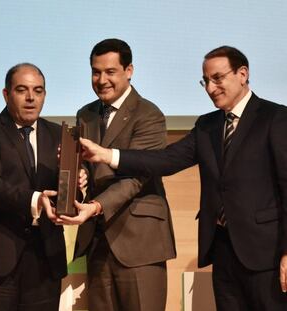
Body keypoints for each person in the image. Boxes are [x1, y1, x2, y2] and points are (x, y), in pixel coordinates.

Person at [79, 45, 287, 310]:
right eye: (206, 81)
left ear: (242, 74)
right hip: (223, 251)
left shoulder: (275, 118)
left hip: (266, 253)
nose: (211, 88)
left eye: (218, 78)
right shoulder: (207, 125)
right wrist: (108, 155)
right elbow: (164, 161)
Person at [56, 39, 176, 311]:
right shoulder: (85, 114)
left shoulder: (149, 114)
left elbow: (137, 177)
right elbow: (86, 164)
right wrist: (80, 176)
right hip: (98, 240)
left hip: (140, 242)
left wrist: (96, 206)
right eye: (96, 72)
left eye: (110, 72)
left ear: (129, 70)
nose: (101, 80)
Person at [0, 63, 86, 311]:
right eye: (22, 90)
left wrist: (79, 183)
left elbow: (66, 192)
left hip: (44, 260)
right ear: (6, 94)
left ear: (44, 95)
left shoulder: (60, 135)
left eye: (38, 91)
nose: (31, 98)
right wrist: (35, 199)